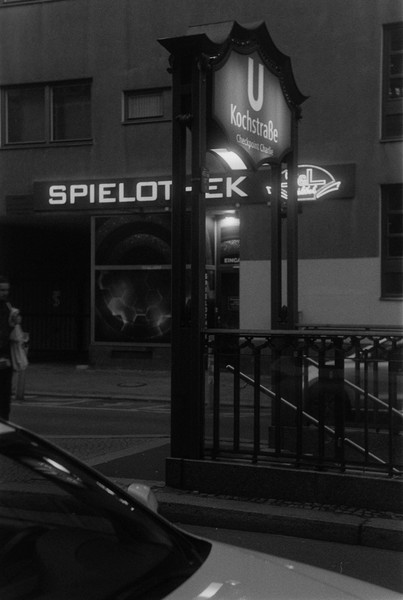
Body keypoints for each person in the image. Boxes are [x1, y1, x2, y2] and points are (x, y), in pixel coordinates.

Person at [0, 275, 21, 419]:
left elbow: (7, 330)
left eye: (6, 290)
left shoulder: (7, 306)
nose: (5, 293)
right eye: (2, 290)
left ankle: (4, 421)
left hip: (5, 356)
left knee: (5, 394)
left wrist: (14, 322)